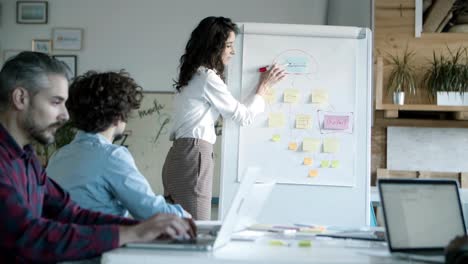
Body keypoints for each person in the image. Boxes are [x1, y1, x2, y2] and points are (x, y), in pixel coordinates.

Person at [0, 51, 195, 263]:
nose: (65, 116)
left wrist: (141, 228)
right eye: (56, 102)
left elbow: (71, 213)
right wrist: (133, 233)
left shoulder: (27, 158)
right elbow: (28, 236)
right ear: (20, 98)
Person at [162, 16, 286, 220]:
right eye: (228, 46)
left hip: (179, 156)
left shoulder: (193, 75)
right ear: (214, 46)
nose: (233, 51)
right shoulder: (207, 77)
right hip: (194, 154)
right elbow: (243, 117)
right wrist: (263, 88)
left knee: (180, 227)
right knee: (198, 227)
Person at [46, 70, 190, 220]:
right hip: (103, 240)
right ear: (117, 117)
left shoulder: (58, 156)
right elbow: (149, 211)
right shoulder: (111, 156)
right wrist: (185, 215)